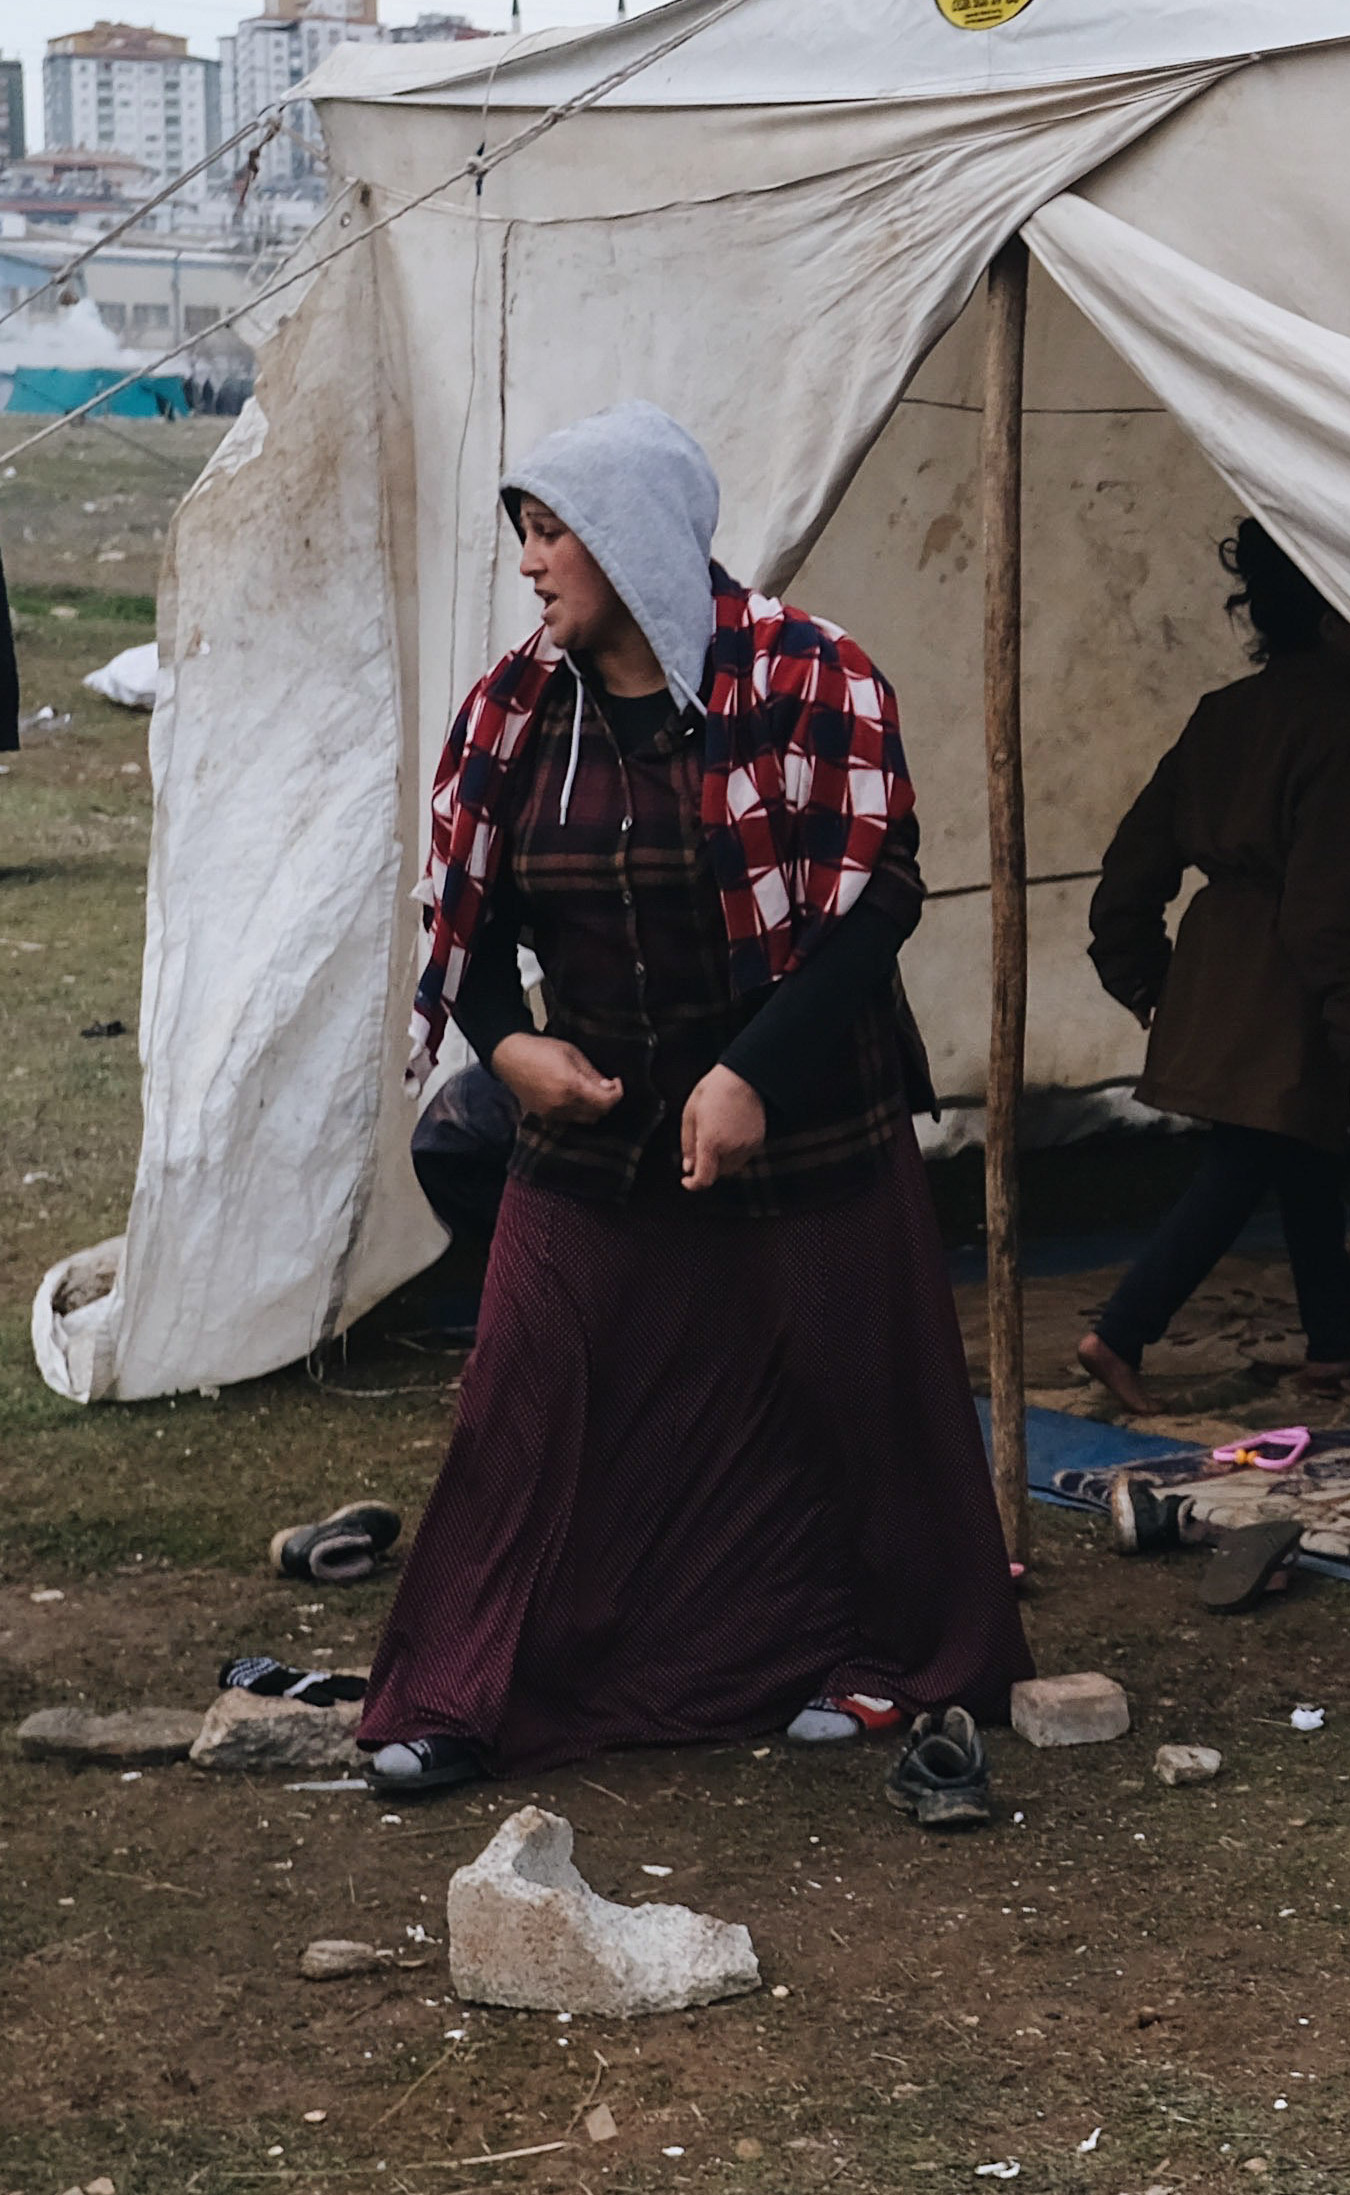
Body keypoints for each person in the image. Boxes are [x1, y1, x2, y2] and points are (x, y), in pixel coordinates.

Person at [356, 404, 1026, 1829]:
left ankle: (892, 1658)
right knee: (526, 1392)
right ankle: (463, 1690)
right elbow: (459, 924)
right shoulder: (511, 714)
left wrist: (752, 1075)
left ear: (635, 539)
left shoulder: (807, 677)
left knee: (851, 1398)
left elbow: (875, 898)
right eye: (524, 533)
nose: (532, 564)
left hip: (808, 1112)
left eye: (556, 534)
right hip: (596, 1125)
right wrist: (511, 1047)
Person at [1077, 518, 1350, 1410]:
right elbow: (1329, 907)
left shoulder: (1227, 716)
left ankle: (1338, 1339)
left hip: (1221, 965)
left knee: (1302, 1158)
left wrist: (1141, 967)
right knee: (1249, 1162)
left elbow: (1134, 859)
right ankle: (1123, 1329)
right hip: (1282, 982)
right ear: (1330, 615)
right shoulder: (1341, 732)